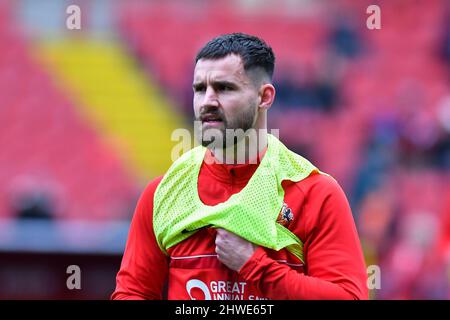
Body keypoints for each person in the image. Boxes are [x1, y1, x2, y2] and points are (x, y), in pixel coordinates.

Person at [112, 33, 368, 300]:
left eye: (224, 88)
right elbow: (132, 293)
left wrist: (254, 265)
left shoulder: (316, 194)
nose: (207, 101)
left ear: (264, 97)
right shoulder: (162, 194)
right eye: (200, 89)